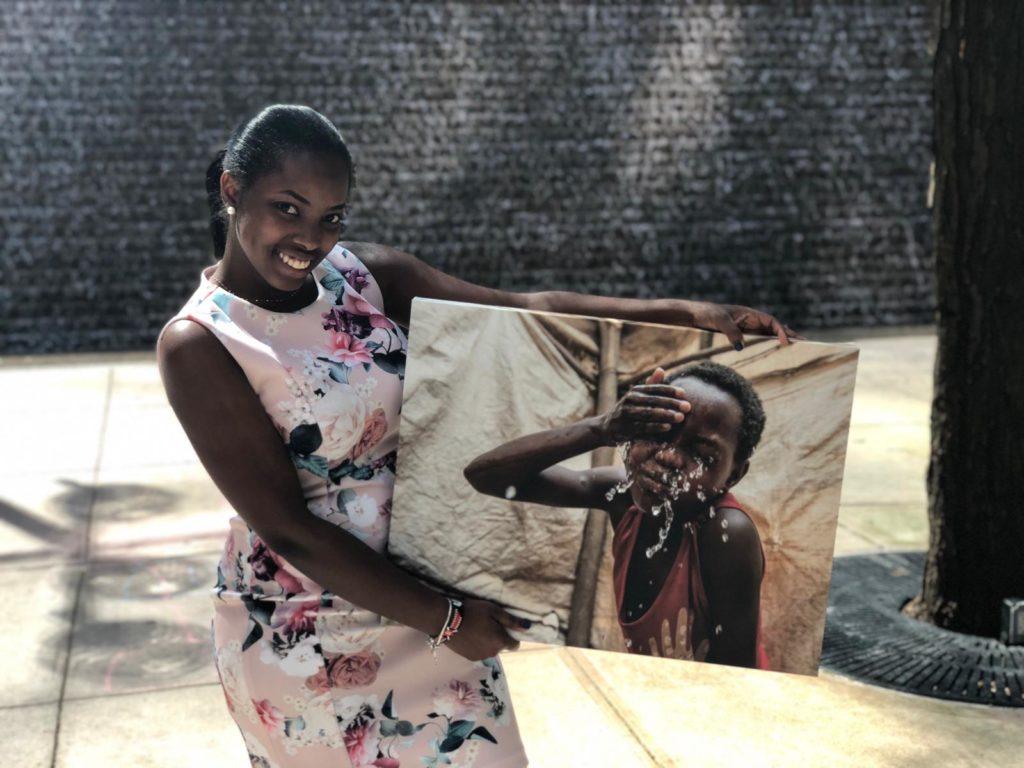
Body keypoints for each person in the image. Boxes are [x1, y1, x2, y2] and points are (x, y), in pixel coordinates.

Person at [156, 103, 799, 767]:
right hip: (311, 631)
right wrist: (448, 620)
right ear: (234, 191)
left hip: (429, 597)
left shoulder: (361, 278)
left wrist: (686, 313)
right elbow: (287, 528)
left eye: (331, 217)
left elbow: (524, 310)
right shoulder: (201, 344)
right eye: (287, 208)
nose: (309, 238)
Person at [464, 362, 772, 670]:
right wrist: (601, 428)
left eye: (703, 456)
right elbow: (485, 476)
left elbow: (737, 678)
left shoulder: (725, 532)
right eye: (658, 433)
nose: (668, 456)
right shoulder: (623, 495)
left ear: (734, 476)